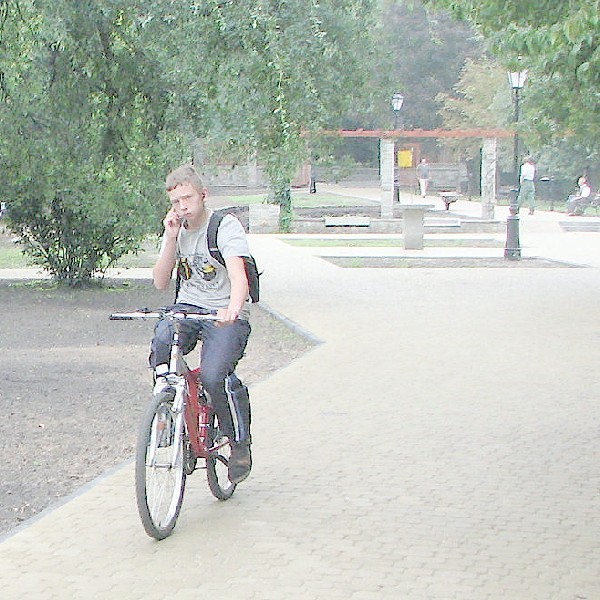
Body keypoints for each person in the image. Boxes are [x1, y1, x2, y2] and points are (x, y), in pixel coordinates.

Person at [150, 163, 253, 484]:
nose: (182, 206)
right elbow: (160, 282)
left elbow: (240, 277)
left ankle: (239, 445)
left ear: (202, 196)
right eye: (176, 201)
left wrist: (233, 309)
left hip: (223, 312)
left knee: (213, 375)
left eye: (187, 198)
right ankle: (167, 414)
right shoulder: (176, 229)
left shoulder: (224, 226)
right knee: (163, 342)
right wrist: (170, 238)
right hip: (189, 308)